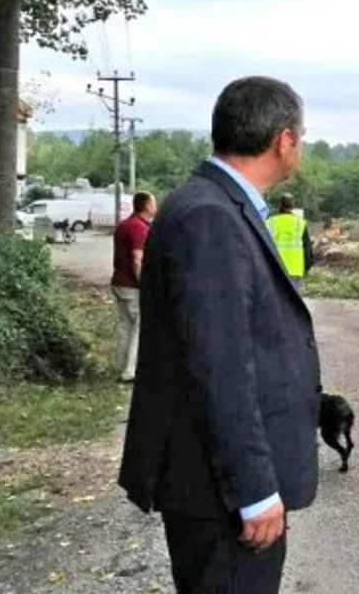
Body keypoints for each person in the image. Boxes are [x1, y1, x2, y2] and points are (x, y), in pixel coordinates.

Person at [118, 76, 320, 594]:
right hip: (218, 494)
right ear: (284, 139)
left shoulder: (214, 206)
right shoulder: (210, 216)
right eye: (300, 135)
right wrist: (253, 490)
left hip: (214, 487)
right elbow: (219, 367)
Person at [110, 191, 156, 383]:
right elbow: (138, 260)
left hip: (119, 283)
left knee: (126, 327)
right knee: (140, 329)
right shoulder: (139, 228)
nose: (156, 205)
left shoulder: (125, 225)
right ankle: (131, 371)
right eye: (153, 202)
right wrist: (144, 284)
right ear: (146, 205)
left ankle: (122, 366)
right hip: (132, 286)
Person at [265, 193, 312, 291]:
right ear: (292, 206)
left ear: (279, 205)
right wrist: (307, 266)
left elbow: (263, 244)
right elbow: (307, 247)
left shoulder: (270, 222)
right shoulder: (300, 223)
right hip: (295, 268)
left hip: (275, 268)